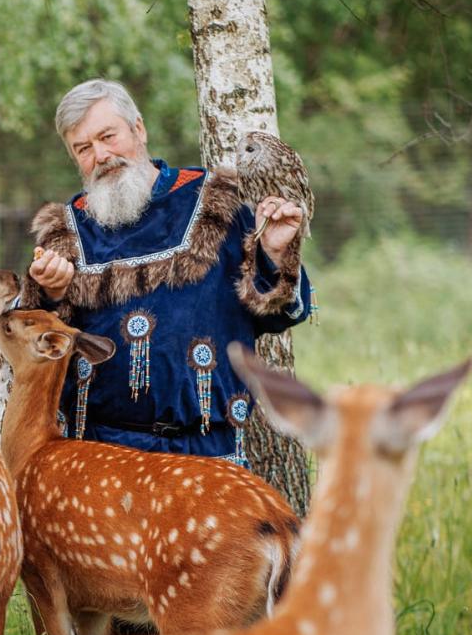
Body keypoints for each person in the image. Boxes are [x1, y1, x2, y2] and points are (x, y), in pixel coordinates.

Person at [18, 79, 313, 465]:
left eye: (108, 136)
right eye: (83, 148)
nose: (102, 155)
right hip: (101, 462)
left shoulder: (216, 203)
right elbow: (35, 350)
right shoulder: (64, 233)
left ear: (138, 129)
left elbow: (282, 316)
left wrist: (274, 253)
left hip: (209, 454)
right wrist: (51, 293)